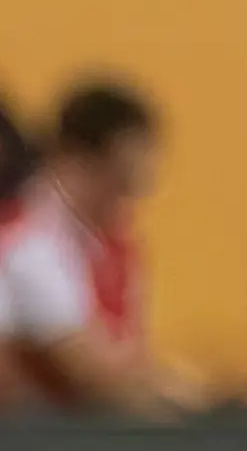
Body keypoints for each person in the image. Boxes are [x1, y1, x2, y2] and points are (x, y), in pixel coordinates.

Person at [0, 79, 205, 416]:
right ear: (74, 163)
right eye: (119, 183)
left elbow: (132, 362)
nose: (127, 203)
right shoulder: (28, 245)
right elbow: (99, 379)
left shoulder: (110, 247)